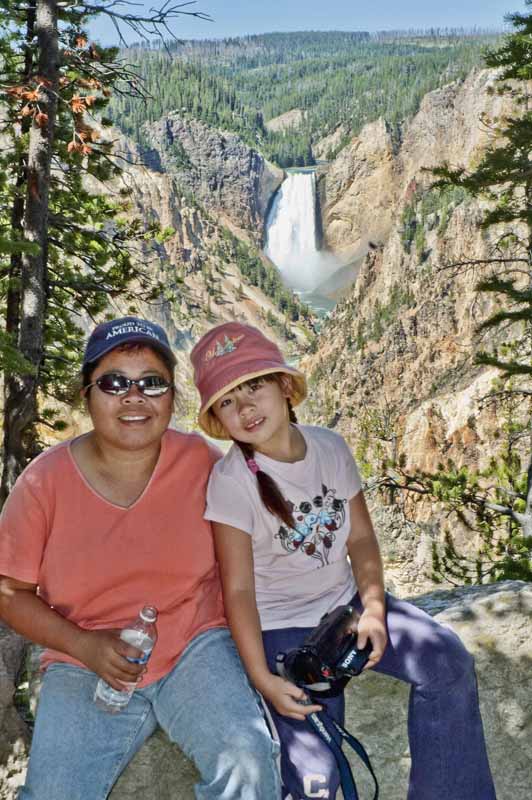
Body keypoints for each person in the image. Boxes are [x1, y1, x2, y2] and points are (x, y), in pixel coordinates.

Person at [190, 321, 497, 800]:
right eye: (227, 401)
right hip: (281, 627)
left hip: (346, 606)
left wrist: (373, 609)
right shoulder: (232, 483)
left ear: (284, 386)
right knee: (318, 776)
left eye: (254, 387)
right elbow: (239, 590)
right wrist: (263, 679)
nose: (245, 407)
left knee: (448, 662)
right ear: (219, 418)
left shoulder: (329, 448)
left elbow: (361, 539)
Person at [0, 316, 281, 800]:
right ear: (86, 395)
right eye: (114, 383)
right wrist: (84, 645)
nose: (134, 397)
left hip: (195, 645)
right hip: (83, 659)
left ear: (171, 396)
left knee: (249, 764)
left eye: (152, 383)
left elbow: (267, 528)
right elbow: (10, 593)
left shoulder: (201, 462)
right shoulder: (44, 483)